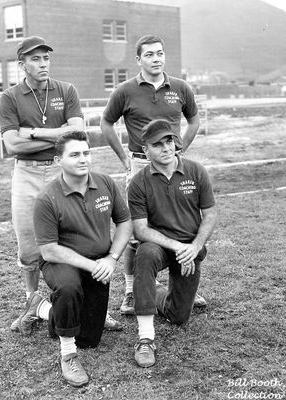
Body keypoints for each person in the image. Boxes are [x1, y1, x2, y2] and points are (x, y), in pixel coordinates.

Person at [0, 35, 120, 334]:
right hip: (27, 174)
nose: (43, 64)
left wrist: (33, 133)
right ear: (22, 64)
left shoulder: (66, 90)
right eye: (35, 59)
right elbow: (12, 144)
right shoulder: (10, 97)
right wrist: (57, 133)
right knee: (29, 244)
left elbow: (78, 133)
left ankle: (93, 307)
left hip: (62, 170)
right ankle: (31, 303)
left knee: (76, 235)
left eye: (46, 58)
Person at [18, 130, 132, 387]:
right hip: (62, 264)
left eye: (86, 153)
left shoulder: (105, 183)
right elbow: (49, 251)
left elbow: (124, 222)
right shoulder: (47, 198)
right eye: (74, 154)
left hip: (99, 262)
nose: (83, 159)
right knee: (69, 288)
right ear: (59, 160)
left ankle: (41, 307)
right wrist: (93, 265)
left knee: (89, 338)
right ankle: (68, 354)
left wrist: (112, 258)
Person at [100, 34, 205, 314]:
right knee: (138, 234)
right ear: (139, 60)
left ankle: (181, 289)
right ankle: (132, 292)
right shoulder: (124, 90)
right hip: (139, 165)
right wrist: (124, 158)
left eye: (159, 53)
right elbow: (106, 123)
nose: (156, 59)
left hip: (174, 165)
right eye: (149, 55)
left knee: (179, 223)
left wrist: (180, 147)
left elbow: (194, 120)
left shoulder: (180, 88)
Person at [127, 119, 217, 367]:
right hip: (161, 247)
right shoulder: (138, 182)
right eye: (158, 144)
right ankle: (145, 338)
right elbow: (140, 230)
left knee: (178, 317)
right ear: (145, 149)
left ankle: (150, 292)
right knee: (144, 254)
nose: (166, 148)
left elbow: (209, 214)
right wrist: (177, 247)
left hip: (189, 249)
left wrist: (194, 247)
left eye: (169, 141)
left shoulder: (196, 171)